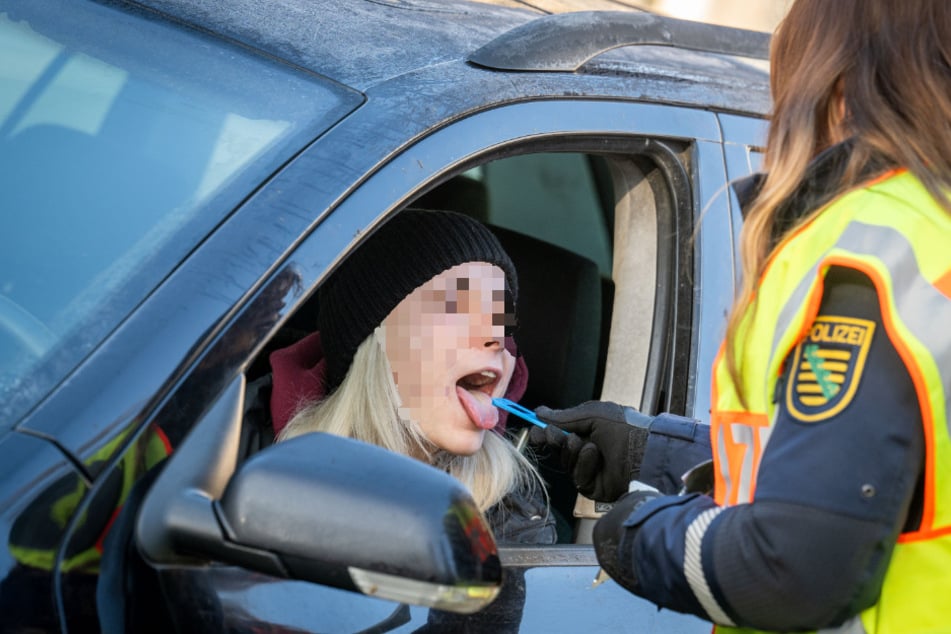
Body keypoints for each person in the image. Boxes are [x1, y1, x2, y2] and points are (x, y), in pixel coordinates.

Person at [529, 1, 951, 632]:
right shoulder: (926, 232)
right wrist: (657, 455)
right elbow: (866, 469)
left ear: (831, 84)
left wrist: (636, 537)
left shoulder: (865, 258)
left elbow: (793, 569)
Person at [244, 208, 556, 546]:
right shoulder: (228, 451)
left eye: (502, 319)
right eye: (457, 309)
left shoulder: (513, 518)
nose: (496, 338)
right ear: (376, 344)